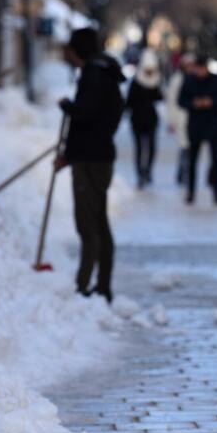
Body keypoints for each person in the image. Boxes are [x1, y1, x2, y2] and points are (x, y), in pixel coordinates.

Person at [55, 27, 125, 303]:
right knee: (98, 221)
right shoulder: (105, 73)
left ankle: (84, 286)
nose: (69, 56)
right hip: (99, 155)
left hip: (90, 159)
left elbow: (87, 116)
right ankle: (102, 285)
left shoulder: (94, 76)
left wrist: (69, 108)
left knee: (88, 225)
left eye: (72, 50)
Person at [179, 55, 217, 205]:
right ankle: (191, 192)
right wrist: (193, 103)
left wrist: (212, 102)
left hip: (213, 125)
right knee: (192, 161)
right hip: (195, 126)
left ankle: (216, 192)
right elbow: (181, 100)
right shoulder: (189, 81)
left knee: (215, 161)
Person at [125, 48, 163, 189]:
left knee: (151, 147)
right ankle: (140, 174)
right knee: (140, 148)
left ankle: (147, 171)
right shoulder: (136, 83)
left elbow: (160, 97)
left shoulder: (156, 82)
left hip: (151, 119)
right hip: (137, 119)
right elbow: (128, 102)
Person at [165, 53, 195, 186]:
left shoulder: (194, 79)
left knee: (190, 147)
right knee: (184, 146)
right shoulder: (177, 79)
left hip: (193, 118)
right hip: (180, 117)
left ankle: (186, 172)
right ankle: (182, 173)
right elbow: (171, 101)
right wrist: (171, 120)